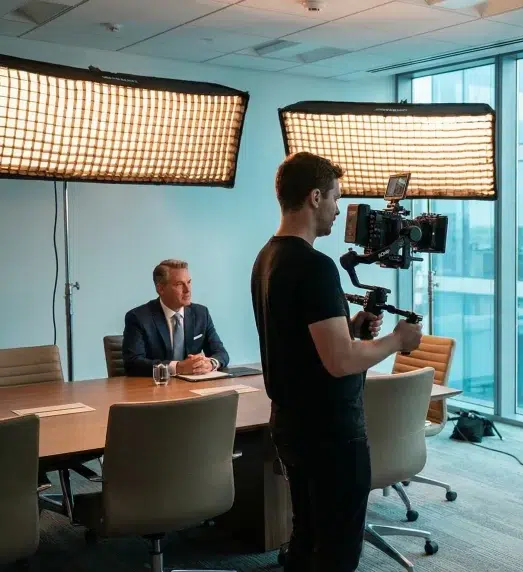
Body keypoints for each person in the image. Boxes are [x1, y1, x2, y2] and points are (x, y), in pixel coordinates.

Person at [251, 152, 422, 572]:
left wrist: (350, 326)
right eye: (335, 198)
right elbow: (341, 361)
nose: (338, 209)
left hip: (292, 425)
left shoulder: (267, 257)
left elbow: (302, 339)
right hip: (331, 435)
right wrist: (397, 340)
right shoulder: (315, 266)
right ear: (314, 197)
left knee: (306, 538)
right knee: (337, 553)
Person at [122, 259, 229, 377]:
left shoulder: (201, 313)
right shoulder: (138, 317)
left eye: (189, 282)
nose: (187, 290)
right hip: (156, 385)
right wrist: (177, 367)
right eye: (179, 284)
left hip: (193, 384)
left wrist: (211, 363)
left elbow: (221, 353)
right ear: (160, 289)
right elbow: (133, 363)